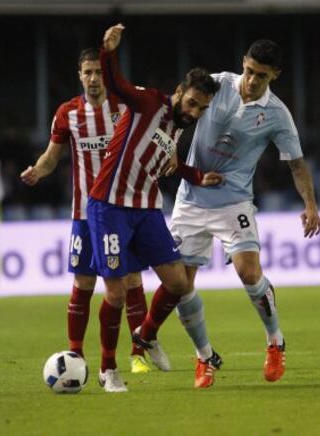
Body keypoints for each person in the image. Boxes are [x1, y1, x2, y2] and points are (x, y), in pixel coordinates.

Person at [168, 39, 320, 386]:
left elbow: (297, 164)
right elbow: (177, 108)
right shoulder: (217, 84)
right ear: (243, 63)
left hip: (234, 200)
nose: (252, 81)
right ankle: (205, 357)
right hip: (191, 199)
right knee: (180, 285)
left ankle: (275, 341)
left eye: (262, 76)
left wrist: (310, 206)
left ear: (275, 76)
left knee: (248, 272)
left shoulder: (278, 115)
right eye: (250, 71)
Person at [87, 23, 223, 392]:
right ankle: (108, 369)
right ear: (178, 93)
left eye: (201, 109)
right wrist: (108, 52)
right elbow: (118, 86)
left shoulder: (178, 125)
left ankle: (146, 336)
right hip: (109, 207)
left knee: (178, 282)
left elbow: (166, 162)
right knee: (115, 293)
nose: (194, 112)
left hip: (146, 210)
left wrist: (196, 175)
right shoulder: (148, 102)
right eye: (191, 103)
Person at [20, 47, 154, 375]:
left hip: (123, 209)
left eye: (98, 72)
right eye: (88, 73)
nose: (93, 78)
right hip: (84, 212)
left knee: (132, 278)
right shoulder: (68, 113)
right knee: (83, 282)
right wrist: (37, 170)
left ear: (106, 75)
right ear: (79, 76)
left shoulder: (125, 107)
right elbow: (52, 156)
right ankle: (75, 355)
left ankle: (139, 352)